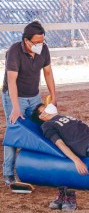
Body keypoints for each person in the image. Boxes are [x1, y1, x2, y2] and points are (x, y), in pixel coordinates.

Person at [2, 20, 56, 185]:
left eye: (43, 41)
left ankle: (35, 168)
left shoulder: (44, 50)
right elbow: (11, 81)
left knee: (41, 128)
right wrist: (16, 108)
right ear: (26, 41)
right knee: (14, 129)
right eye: (37, 42)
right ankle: (8, 174)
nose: (41, 44)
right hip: (14, 96)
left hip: (34, 97)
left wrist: (54, 96)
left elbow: (48, 73)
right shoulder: (14, 51)